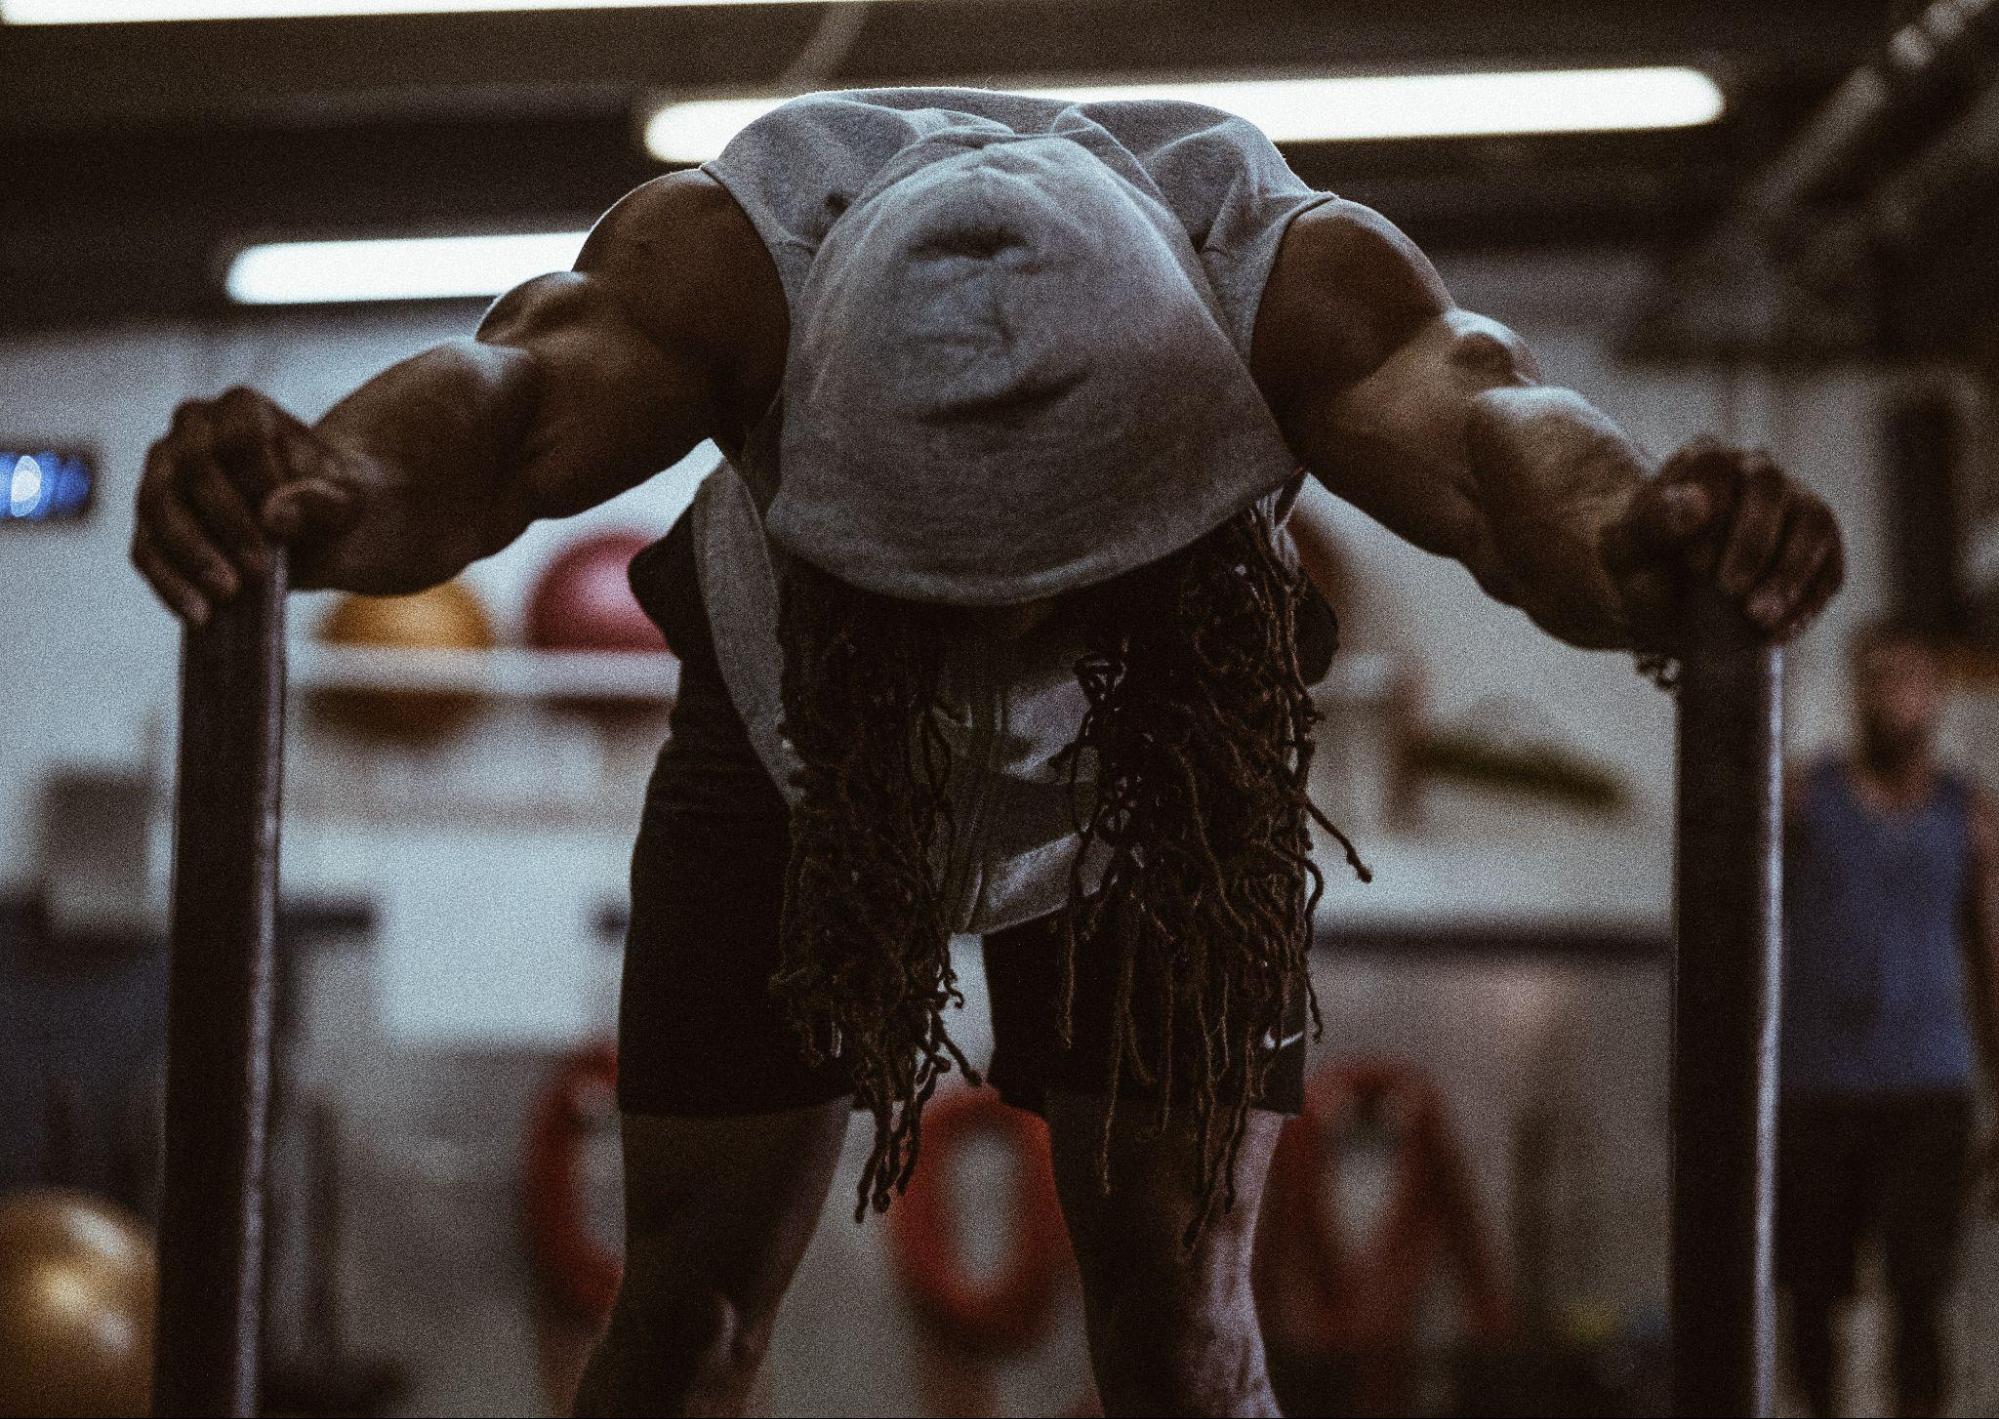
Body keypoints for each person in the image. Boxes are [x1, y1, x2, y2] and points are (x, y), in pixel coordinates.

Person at [131, 90, 1842, 1417]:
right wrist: (321, 484)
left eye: (1039, 602)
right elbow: (500, 420)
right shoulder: (738, 261)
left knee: (1182, 1332)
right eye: (947, 602)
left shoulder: (1276, 278)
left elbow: (1485, 443)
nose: (992, 655)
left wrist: (1641, 534)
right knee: (682, 1313)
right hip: (796, 723)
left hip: (1177, 745)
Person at [1778, 622, 1999, 1419]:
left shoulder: (1966, 813)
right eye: (1875, 677)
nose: (1892, 693)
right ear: (1854, 692)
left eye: (1909, 676)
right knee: (1810, 1292)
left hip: (1927, 1090)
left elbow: (1991, 953)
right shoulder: (1806, 797)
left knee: (1919, 1292)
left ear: (1935, 694)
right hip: (1817, 1089)